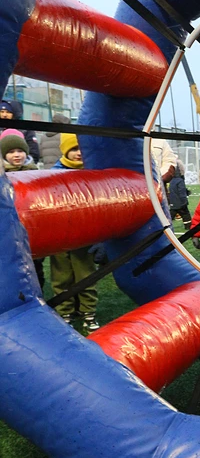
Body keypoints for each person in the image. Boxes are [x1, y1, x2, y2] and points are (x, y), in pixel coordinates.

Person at [50, 134, 99, 331]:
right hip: (59, 234)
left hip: (83, 234)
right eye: (74, 148)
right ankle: (64, 312)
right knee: (61, 277)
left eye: (82, 148)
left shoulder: (91, 171)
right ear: (65, 149)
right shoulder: (53, 174)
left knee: (85, 274)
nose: (79, 153)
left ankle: (88, 312)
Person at [1, 130, 44, 288]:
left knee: (35, 267)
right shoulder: (3, 175)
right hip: (9, 229)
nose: (17, 155)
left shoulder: (34, 172)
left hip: (33, 227)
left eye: (20, 151)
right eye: (11, 152)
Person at [168, 159, 192, 232]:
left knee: (170, 215)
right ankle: (188, 226)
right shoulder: (180, 181)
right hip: (180, 203)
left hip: (173, 203)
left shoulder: (172, 180)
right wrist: (184, 202)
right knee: (186, 215)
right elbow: (181, 192)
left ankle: (166, 226)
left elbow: (172, 191)